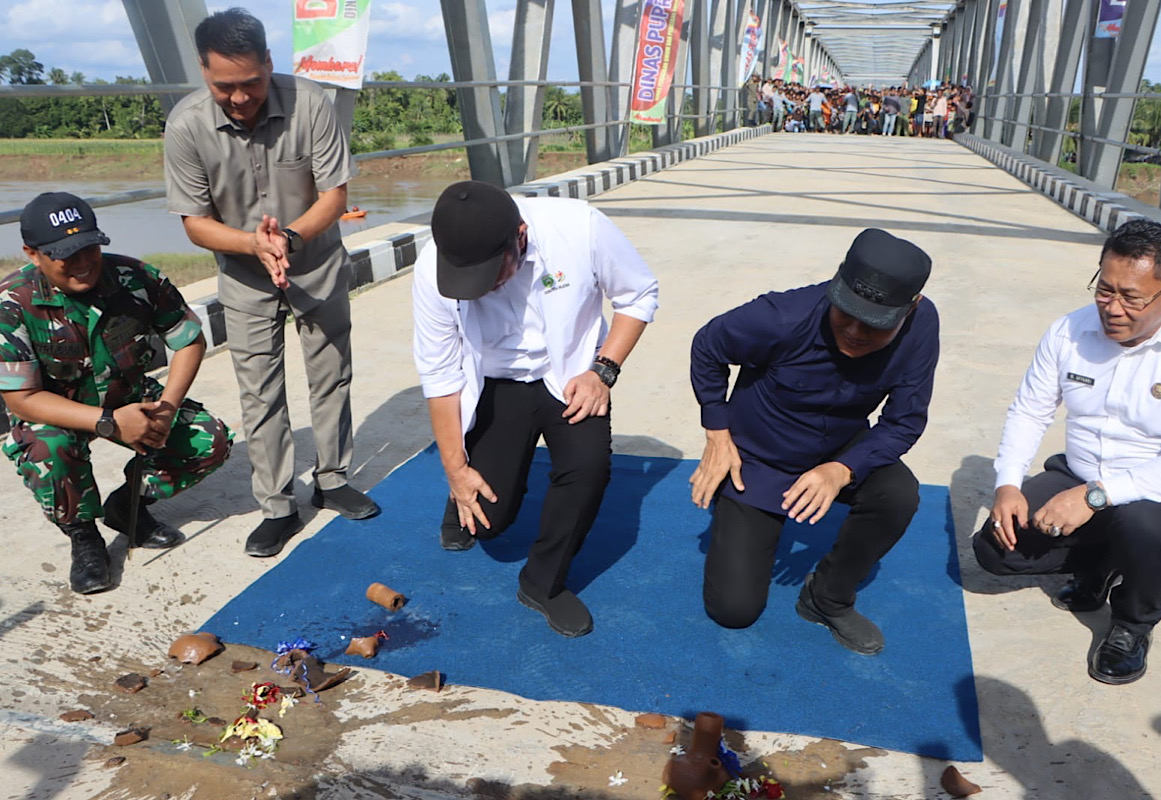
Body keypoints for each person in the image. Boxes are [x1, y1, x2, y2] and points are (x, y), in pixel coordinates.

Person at [164, 7, 378, 559]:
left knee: (331, 375)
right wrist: (256, 244)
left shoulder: (312, 104)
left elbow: (334, 194)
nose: (239, 98)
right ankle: (278, 505)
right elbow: (195, 222)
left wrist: (290, 238)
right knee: (260, 391)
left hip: (316, 261)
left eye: (251, 83)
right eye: (224, 87)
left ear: (269, 62)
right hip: (244, 276)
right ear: (203, 71)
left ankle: (332, 479)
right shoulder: (187, 125)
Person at [412, 181, 658, 638]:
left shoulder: (579, 228)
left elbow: (638, 295)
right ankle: (460, 499)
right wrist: (455, 469)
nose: (479, 289)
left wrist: (603, 370)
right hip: (496, 380)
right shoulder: (433, 268)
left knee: (588, 468)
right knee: (491, 523)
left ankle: (542, 583)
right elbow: (440, 373)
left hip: (572, 375)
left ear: (519, 237)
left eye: (490, 273)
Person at [689, 229, 938, 655]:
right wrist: (717, 432)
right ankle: (737, 518)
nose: (856, 332)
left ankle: (827, 597)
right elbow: (707, 346)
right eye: (846, 313)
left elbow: (904, 420)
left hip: (840, 446)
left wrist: (842, 469)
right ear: (837, 281)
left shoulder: (921, 323)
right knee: (733, 610)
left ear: (910, 307)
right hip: (759, 459)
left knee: (898, 494)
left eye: (875, 324)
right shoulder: (781, 315)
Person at [974, 219, 1161, 685]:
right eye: (1104, 288)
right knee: (995, 551)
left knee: (1142, 527)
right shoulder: (1068, 332)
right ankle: (1102, 563)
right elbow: (1029, 412)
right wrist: (1008, 484)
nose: (1112, 308)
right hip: (1080, 470)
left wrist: (1094, 498)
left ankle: (1133, 623)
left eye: (1131, 297)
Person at [0, 193, 232, 594]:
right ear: (33, 254)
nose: (84, 262)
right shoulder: (11, 304)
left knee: (209, 439)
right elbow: (21, 399)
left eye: (89, 247)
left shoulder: (135, 278)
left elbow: (189, 340)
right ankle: (84, 537)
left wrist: (167, 409)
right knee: (46, 450)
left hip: (129, 395)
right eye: (65, 255)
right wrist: (108, 423)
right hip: (59, 411)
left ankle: (128, 509)